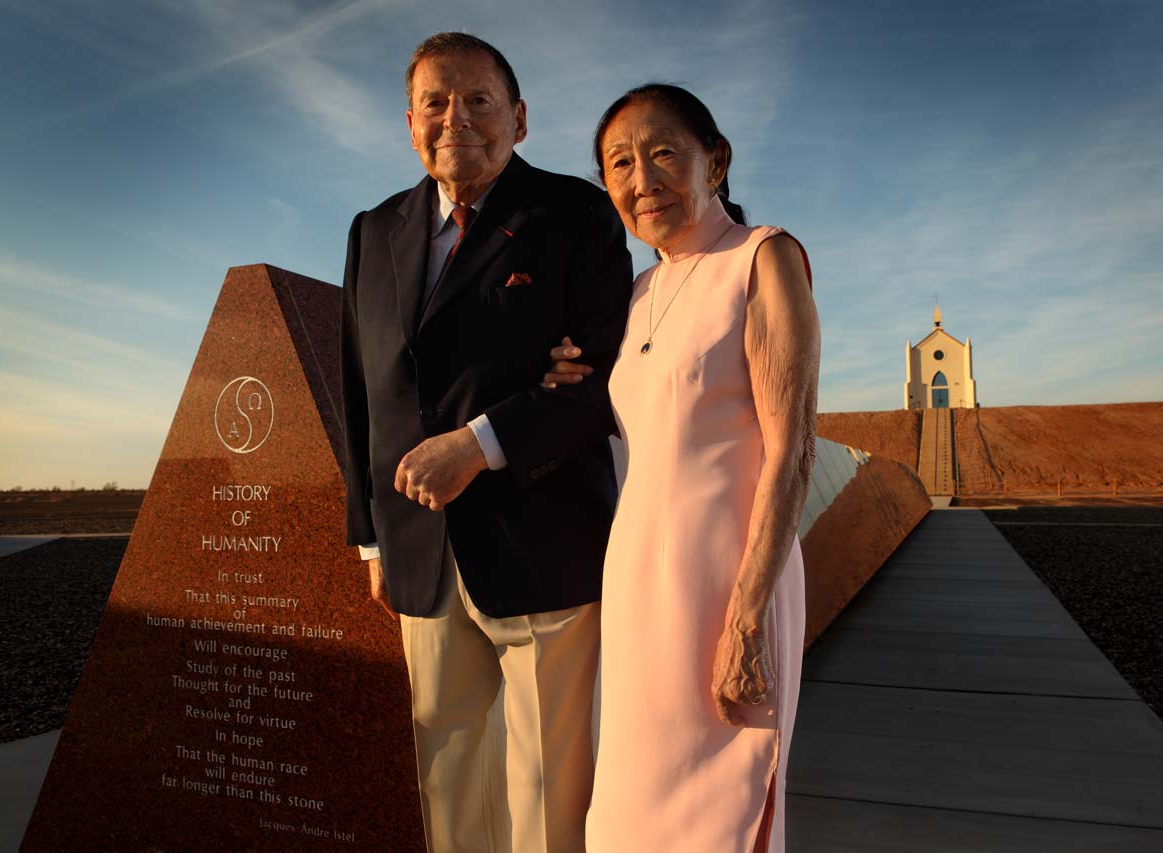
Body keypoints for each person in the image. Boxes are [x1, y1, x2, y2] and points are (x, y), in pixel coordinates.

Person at [339, 33, 632, 853]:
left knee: (546, 787)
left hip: (543, 541)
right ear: (408, 122)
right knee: (446, 773)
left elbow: (605, 378)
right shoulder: (373, 231)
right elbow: (362, 391)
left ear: (520, 118)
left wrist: (477, 444)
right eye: (435, 101)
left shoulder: (576, 216)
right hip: (418, 551)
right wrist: (369, 538)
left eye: (478, 100)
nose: (454, 118)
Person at [542, 84, 819, 851]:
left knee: (723, 814)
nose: (642, 179)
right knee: (629, 815)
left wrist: (747, 616)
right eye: (620, 164)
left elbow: (792, 449)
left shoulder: (763, 258)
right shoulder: (638, 293)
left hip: (729, 586)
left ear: (715, 160)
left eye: (663, 152)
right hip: (640, 589)